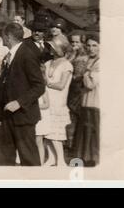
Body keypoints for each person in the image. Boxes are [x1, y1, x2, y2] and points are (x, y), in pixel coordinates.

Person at [0, 23, 45, 166]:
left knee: (28, 157)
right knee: (4, 155)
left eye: (3, 36)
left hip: (24, 115)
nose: (2, 39)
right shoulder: (10, 54)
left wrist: (18, 103)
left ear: (8, 37)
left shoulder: (27, 54)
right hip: (8, 114)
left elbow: (39, 86)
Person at [43, 37, 73, 166]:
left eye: (55, 47)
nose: (51, 49)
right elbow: (42, 78)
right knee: (47, 132)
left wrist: (48, 83)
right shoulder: (48, 63)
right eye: (51, 47)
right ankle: (51, 158)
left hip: (58, 102)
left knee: (56, 134)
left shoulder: (67, 65)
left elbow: (61, 85)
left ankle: (61, 161)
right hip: (47, 100)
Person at [73, 32, 100, 166]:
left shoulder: (101, 62)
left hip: (96, 102)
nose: (91, 48)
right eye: (89, 45)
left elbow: (90, 84)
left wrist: (84, 74)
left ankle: (93, 159)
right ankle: (83, 158)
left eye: (95, 45)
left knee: (93, 131)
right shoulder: (88, 60)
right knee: (84, 131)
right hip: (85, 101)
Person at [66, 30, 88, 150]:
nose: (74, 44)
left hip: (78, 90)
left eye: (77, 42)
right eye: (72, 41)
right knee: (71, 117)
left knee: (76, 116)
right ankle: (71, 143)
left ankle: (75, 144)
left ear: (83, 43)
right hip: (71, 90)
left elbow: (77, 76)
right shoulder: (72, 54)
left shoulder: (83, 57)